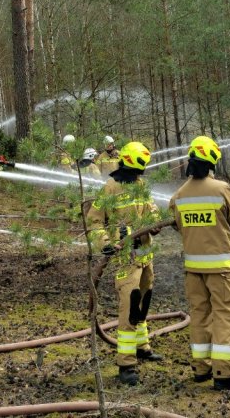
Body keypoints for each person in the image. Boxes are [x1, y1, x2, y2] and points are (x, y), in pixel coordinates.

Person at [166, 135, 230, 390]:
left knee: (200, 314)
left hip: (193, 269)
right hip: (220, 269)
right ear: (213, 159)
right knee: (224, 314)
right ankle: (224, 373)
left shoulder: (179, 195)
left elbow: (177, 225)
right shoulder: (221, 189)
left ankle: (201, 369)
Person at [85, 141, 163, 386]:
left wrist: (156, 222)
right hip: (125, 257)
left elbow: (152, 210)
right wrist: (105, 242)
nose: (141, 174)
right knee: (129, 306)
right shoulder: (110, 187)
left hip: (145, 254)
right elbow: (94, 221)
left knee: (143, 300)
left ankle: (142, 346)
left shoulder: (140, 184)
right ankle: (126, 363)